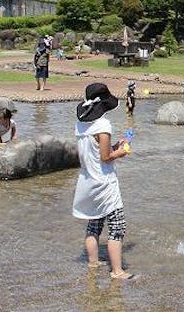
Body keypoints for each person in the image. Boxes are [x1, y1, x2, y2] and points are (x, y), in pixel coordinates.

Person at [72, 83, 135, 280]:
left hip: (87, 180)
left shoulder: (81, 125)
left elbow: (97, 150)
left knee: (94, 223)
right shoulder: (103, 125)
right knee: (117, 226)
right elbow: (106, 157)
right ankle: (117, 271)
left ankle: (93, 263)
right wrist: (122, 151)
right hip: (104, 181)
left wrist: (115, 146)